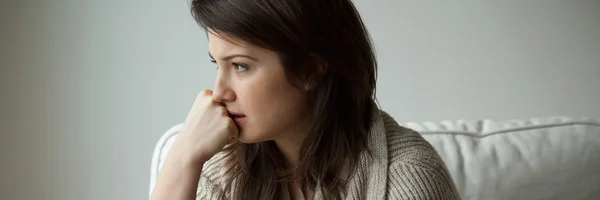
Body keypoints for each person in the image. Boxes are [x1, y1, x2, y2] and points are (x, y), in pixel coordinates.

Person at [150, 0, 460, 199]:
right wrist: (181, 159)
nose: (219, 93)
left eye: (240, 66)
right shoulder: (216, 171)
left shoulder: (408, 178)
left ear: (310, 70)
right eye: (216, 64)